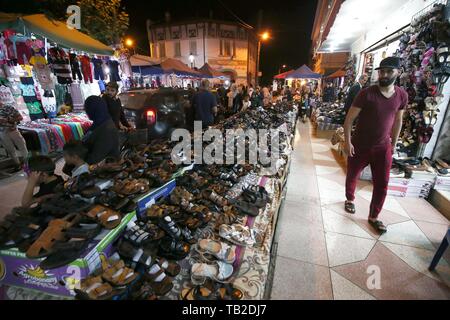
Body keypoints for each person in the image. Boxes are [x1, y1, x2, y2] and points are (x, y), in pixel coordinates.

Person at [343, 57, 407, 234]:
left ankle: (374, 216)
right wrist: (347, 142)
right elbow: (349, 119)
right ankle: (349, 199)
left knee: (382, 183)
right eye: (382, 71)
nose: (384, 75)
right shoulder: (366, 93)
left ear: (398, 73)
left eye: (389, 71)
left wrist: (393, 143)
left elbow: (398, 121)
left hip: (383, 146)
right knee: (353, 174)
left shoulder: (402, 95)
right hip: (360, 144)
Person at [83, 96, 120, 165]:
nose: (86, 111)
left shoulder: (107, 130)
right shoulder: (99, 123)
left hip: (103, 170)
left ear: (94, 109)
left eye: (87, 108)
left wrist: (79, 162)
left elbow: (96, 157)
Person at [0, 104, 28, 172]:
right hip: (2, 132)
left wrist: (8, 120)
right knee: (10, 150)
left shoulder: (9, 107)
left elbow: (20, 118)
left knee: (22, 147)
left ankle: (28, 163)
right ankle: (17, 165)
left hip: (13, 130)